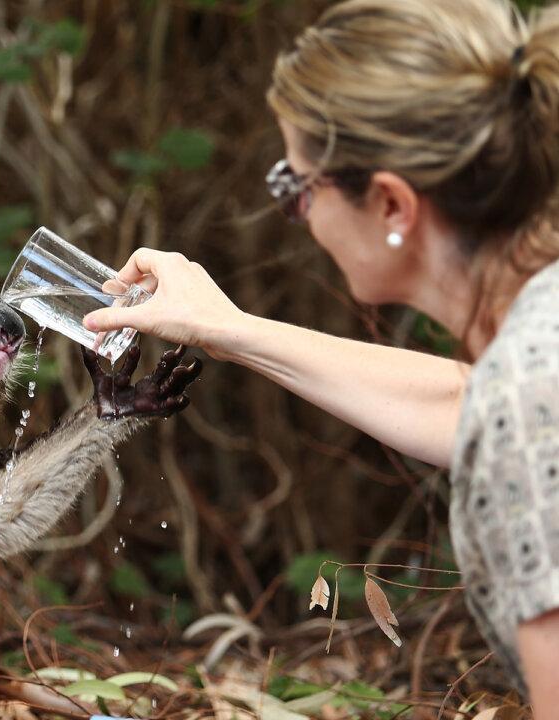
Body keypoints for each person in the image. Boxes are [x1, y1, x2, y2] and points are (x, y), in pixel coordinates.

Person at [84, 0, 559, 711]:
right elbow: (468, 404)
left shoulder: (524, 404)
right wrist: (227, 327)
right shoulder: (532, 359)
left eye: (294, 187)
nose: (297, 215)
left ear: (393, 206)